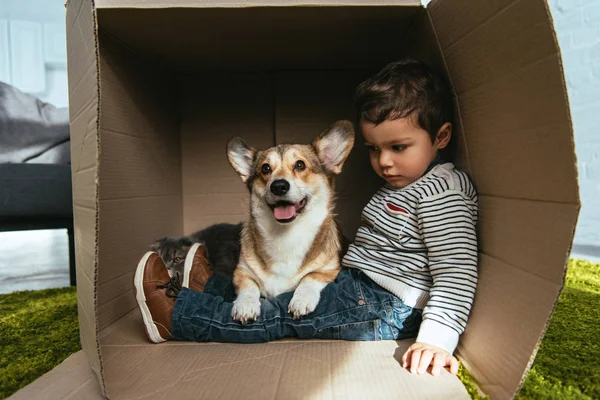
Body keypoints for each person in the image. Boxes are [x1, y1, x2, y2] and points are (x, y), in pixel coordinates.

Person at [134, 59, 478, 377]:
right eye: (374, 149)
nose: (383, 162)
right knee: (273, 295)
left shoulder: (441, 194)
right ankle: (206, 286)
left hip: (388, 307)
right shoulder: (400, 186)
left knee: (281, 315)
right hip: (358, 286)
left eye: (398, 147)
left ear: (441, 137)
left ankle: (180, 318)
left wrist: (436, 339)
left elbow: (456, 273)